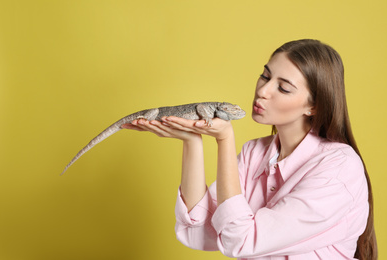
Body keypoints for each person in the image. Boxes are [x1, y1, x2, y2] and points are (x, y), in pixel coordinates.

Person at [122, 39, 377, 259]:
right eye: (265, 76)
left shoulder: (339, 169)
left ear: (314, 107)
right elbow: (199, 233)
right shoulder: (254, 154)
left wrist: (224, 139)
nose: (262, 91)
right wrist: (192, 140)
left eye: (284, 88)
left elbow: (240, 239)